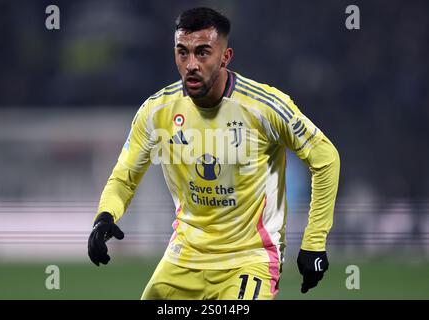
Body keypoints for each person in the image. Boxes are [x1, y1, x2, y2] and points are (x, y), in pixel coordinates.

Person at [87, 7, 340, 300]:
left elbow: (326, 158)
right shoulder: (156, 111)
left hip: (248, 260)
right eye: (182, 53)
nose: (191, 64)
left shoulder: (265, 107)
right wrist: (104, 217)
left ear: (225, 57)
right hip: (184, 257)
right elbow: (124, 177)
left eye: (203, 52)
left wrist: (314, 242)